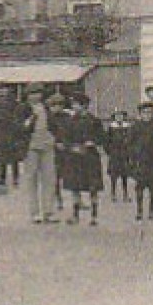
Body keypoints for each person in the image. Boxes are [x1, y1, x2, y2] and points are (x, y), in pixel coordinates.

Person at [60, 92, 105, 225]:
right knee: (75, 186)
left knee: (93, 187)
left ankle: (94, 216)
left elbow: (102, 137)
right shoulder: (70, 121)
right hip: (75, 157)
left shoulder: (94, 121)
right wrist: (71, 147)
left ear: (84, 105)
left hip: (90, 157)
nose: (74, 106)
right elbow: (65, 138)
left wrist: (93, 142)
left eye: (76, 104)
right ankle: (75, 215)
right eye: (73, 104)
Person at [20, 86, 60, 224]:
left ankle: (48, 211)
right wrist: (32, 117)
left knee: (49, 178)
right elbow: (20, 127)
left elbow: (54, 125)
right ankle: (34, 212)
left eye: (38, 93)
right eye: (32, 93)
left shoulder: (46, 108)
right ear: (27, 95)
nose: (35, 96)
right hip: (31, 145)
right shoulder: (23, 108)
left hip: (47, 144)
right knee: (31, 178)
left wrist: (54, 137)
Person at [0, 87, 27, 189]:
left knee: (13, 157)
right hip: (0, 132)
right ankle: (2, 178)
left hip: (12, 132)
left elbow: (19, 117)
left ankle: (15, 178)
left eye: (4, 93)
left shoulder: (15, 104)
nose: (2, 95)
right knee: (2, 156)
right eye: (0, 93)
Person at [103, 109, 134, 203]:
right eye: (117, 116)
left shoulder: (128, 127)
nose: (119, 118)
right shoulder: (111, 128)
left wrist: (129, 151)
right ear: (114, 117)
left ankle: (125, 194)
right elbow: (106, 141)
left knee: (124, 175)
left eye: (121, 116)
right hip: (115, 154)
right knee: (114, 176)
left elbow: (131, 140)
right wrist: (110, 151)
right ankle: (113, 194)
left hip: (124, 154)